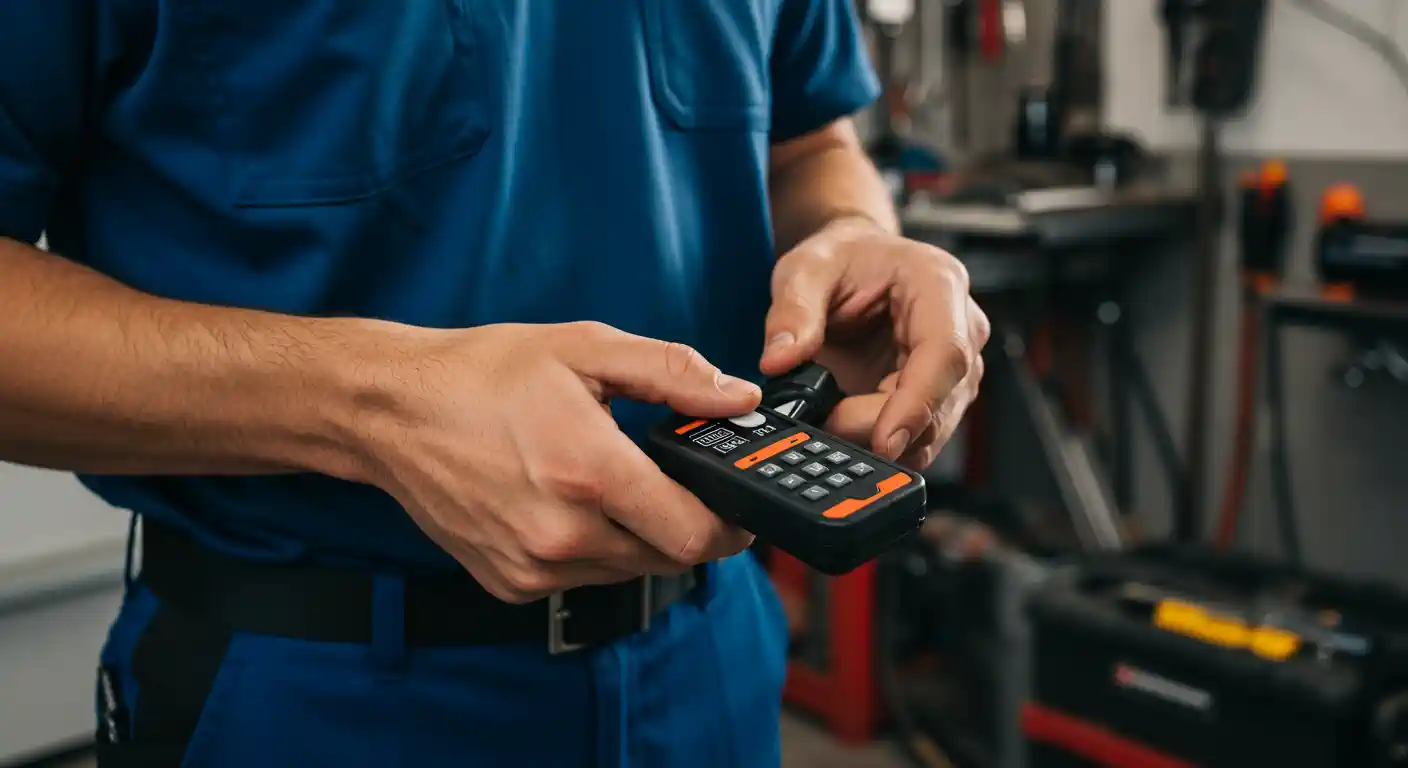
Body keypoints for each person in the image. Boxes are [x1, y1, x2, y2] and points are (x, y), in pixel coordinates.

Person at [0, 1, 988, 765]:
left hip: (709, 657)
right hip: (311, 685)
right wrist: (366, 409)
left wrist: (853, 238)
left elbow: (811, 142)